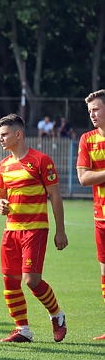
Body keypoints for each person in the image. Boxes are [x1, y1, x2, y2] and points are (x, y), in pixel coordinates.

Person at [0, 114, 67, 343]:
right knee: (9, 280)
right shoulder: (4, 165)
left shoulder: (41, 160)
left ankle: (57, 315)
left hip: (35, 229)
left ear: (19, 134)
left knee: (31, 280)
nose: (0, 140)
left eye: (4, 135)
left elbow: (55, 196)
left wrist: (60, 230)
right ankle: (22, 329)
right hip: (11, 230)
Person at [76, 89, 105, 340]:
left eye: (96, 109)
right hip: (101, 218)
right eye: (90, 111)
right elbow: (83, 178)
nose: (92, 115)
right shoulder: (87, 139)